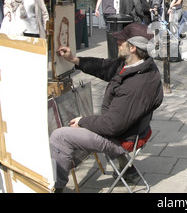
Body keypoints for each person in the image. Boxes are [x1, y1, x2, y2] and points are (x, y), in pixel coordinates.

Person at [51, 23, 163, 192]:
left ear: (132, 47)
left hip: (121, 138)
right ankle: (128, 170)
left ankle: (56, 188)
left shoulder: (136, 84)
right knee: (97, 120)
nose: (117, 42)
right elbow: (104, 67)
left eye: (121, 40)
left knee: (59, 136)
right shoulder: (139, 65)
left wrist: (83, 122)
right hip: (128, 130)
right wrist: (74, 60)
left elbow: (111, 126)